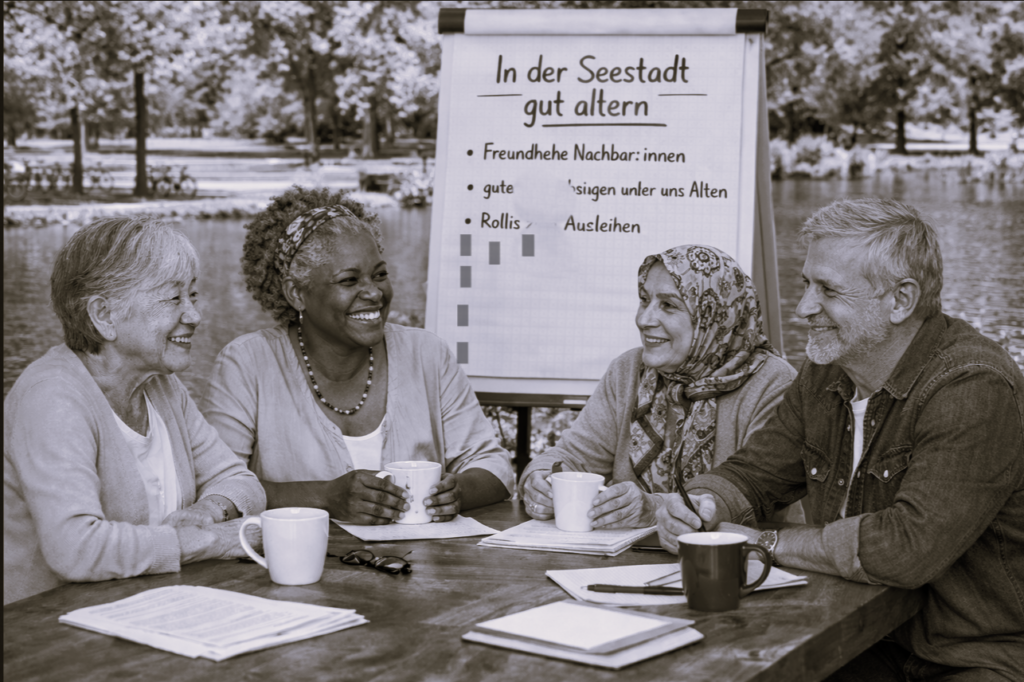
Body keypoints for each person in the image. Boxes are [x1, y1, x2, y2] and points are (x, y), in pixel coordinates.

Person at [657, 199, 1024, 680]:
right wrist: (700, 507)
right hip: (860, 636)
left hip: (973, 656)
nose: (804, 308)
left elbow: (907, 547)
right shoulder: (825, 373)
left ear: (901, 300)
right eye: (806, 284)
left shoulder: (973, 386)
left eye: (828, 290)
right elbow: (754, 473)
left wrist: (763, 543)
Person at [200, 187, 514, 525]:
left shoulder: (427, 355)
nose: (374, 292)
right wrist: (324, 497)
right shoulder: (247, 364)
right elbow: (218, 485)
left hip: (424, 559)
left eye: (380, 275)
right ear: (296, 293)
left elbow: (494, 468)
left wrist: (457, 493)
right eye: (349, 280)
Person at [4, 217, 267, 605]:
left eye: (192, 295)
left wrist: (207, 512)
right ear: (104, 315)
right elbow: (75, 548)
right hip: (48, 628)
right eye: (173, 298)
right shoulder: (51, 397)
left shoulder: (161, 386)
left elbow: (240, 481)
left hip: (149, 610)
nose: (194, 315)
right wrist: (203, 541)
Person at [520, 244, 799, 529]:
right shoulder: (629, 369)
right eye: (644, 300)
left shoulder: (774, 383)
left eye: (668, 305)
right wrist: (540, 479)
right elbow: (573, 457)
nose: (643, 320)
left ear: (714, 314)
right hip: (624, 552)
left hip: (739, 553)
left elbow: (749, 496)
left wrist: (653, 508)